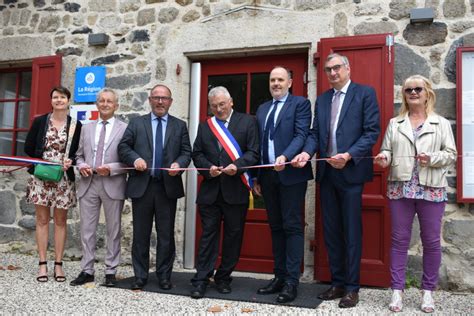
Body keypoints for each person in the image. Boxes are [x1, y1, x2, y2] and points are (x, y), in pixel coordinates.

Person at [292, 53, 380, 308]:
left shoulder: (365, 94)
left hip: (351, 173)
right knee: (330, 232)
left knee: (351, 231)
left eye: (336, 68)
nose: (332, 73)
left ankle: (352, 287)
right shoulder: (322, 100)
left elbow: (371, 132)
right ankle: (337, 282)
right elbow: (315, 135)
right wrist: (306, 153)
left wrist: (349, 155)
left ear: (348, 69)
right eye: (328, 69)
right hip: (327, 174)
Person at [374, 75, 456, 313]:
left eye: (417, 89)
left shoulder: (440, 123)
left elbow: (451, 154)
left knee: (431, 242)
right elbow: (387, 150)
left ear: (427, 92)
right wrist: (384, 158)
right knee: (399, 241)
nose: (413, 93)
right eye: (408, 89)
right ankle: (397, 291)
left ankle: (428, 292)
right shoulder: (395, 123)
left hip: (431, 188)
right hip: (401, 187)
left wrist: (432, 159)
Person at [118, 84, 191, 291]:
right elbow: (123, 147)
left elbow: (187, 151)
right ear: (150, 100)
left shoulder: (179, 126)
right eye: (156, 98)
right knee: (140, 234)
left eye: (164, 98)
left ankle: (164, 276)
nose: (160, 101)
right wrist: (136, 159)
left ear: (170, 102)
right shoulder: (136, 123)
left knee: (166, 235)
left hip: (167, 187)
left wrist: (179, 164)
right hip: (142, 186)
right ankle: (140, 276)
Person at [190, 86, 259, 299]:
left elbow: (254, 152)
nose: (219, 109)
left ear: (231, 102)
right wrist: (208, 168)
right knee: (208, 236)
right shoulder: (205, 126)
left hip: (235, 190)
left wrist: (237, 166)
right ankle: (201, 279)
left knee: (233, 236)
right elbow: (197, 154)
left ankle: (223, 277)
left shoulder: (248, 122)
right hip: (211, 191)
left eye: (222, 104)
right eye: (214, 106)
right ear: (210, 107)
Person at [253, 66, 313, 303]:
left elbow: (301, 135)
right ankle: (278, 277)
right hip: (267, 177)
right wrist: (256, 177)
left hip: (291, 175)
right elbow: (258, 143)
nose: (276, 83)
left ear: (290, 82)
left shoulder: (300, 104)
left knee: (292, 226)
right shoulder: (262, 108)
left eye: (280, 79)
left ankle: (291, 281)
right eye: (272, 80)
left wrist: (286, 157)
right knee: (275, 227)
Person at [24, 86, 82, 283]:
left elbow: (78, 151)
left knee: (60, 221)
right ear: (51, 101)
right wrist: (42, 160)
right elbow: (28, 147)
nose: (59, 100)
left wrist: (71, 160)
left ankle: (58, 264)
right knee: (41, 220)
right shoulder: (40, 121)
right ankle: (42, 264)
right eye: (55, 97)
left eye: (62, 97)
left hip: (64, 178)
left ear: (68, 100)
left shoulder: (76, 124)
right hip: (41, 176)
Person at [70, 88, 128, 287]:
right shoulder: (86, 128)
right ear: (97, 104)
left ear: (116, 105)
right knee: (87, 230)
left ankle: (111, 271)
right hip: (88, 183)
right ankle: (87, 270)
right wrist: (82, 165)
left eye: (109, 101)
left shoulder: (124, 128)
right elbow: (78, 156)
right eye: (101, 100)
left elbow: (127, 160)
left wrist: (110, 169)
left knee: (113, 230)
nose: (104, 104)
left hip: (113, 183)